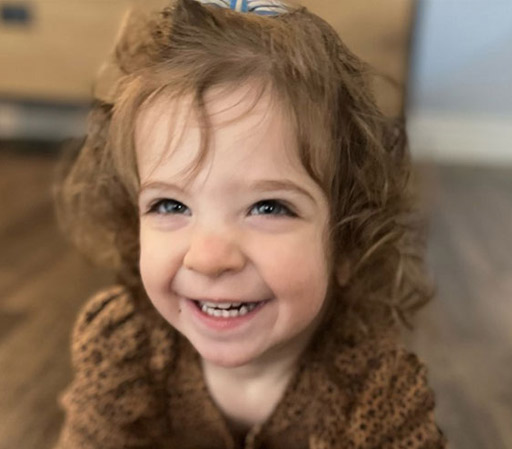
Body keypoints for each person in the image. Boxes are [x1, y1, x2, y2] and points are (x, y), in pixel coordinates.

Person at [54, 0, 447, 447]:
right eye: (170, 205)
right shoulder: (126, 349)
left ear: (348, 242)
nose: (209, 258)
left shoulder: (375, 391)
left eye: (268, 207)